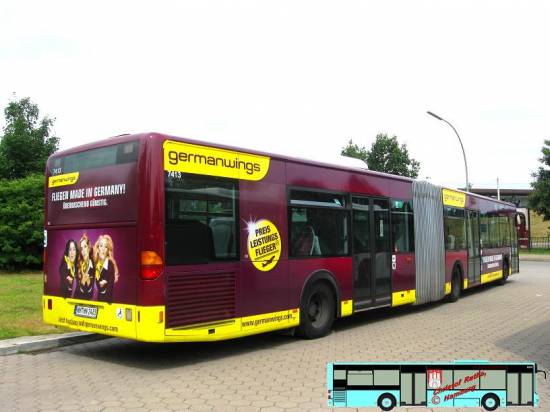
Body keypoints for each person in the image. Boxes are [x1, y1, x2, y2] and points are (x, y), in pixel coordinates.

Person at [94, 235, 119, 303]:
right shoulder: (97, 264)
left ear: (108, 250)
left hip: (107, 301)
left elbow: (109, 289)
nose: (103, 249)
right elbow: (98, 285)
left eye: (105, 247)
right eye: (101, 246)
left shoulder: (110, 264)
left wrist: (106, 282)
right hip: (99, 299)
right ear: (98, 248)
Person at [74, 234, 95, 300]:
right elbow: (78, 289)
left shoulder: (94, 265)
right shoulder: (77, 265)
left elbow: (91, 292)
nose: (83, 250)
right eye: (81, 248)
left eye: (85, 246)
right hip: (77, 299)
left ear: (89, 247)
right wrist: (82, 282)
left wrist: (89, 282)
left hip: (88, 300)